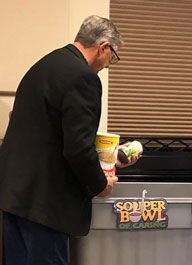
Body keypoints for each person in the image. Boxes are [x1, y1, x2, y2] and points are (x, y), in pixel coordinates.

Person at [0, 15, 139, 265]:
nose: (108, 64)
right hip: (46, 205)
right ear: (103, 47)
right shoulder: (83, 77)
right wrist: (99, 185)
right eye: (112, 57)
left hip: (15, 196)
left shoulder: (44, 65)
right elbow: (77, 148)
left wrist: (112, 157)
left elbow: (52, 133)